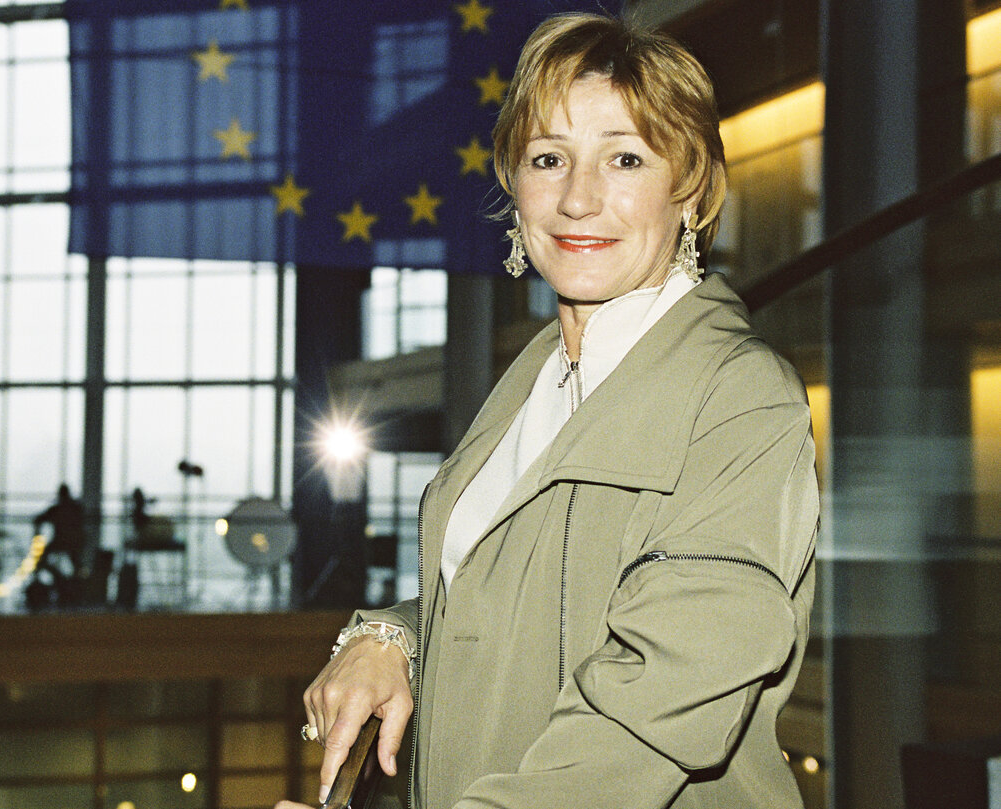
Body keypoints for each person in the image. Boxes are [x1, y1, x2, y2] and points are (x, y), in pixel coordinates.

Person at [278, 12, 819, 809]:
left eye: (624, 157)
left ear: (691, 186)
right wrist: (392, 635)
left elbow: (658, 703)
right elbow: (510, 597)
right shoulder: (537, 375)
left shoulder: (741, 398)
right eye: (548, 158)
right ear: (514, 184)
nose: (577, 197)